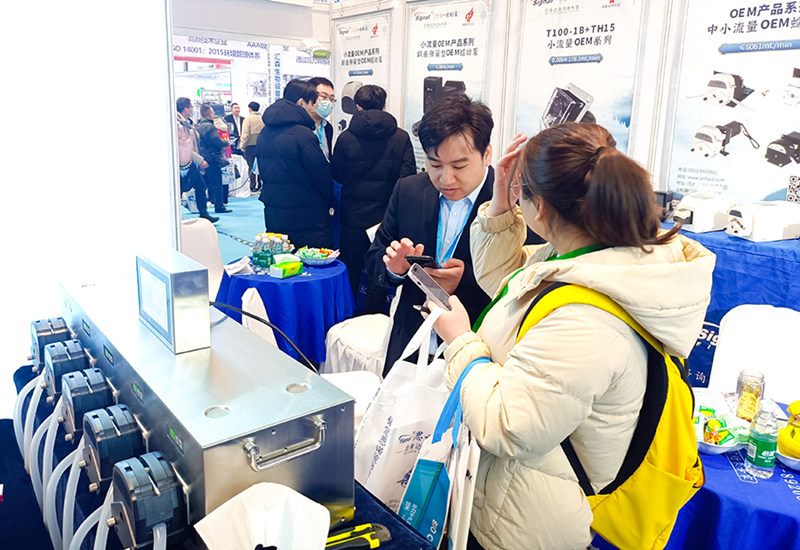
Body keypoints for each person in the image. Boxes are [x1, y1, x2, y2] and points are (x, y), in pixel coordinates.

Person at [427, 122, 715, 549]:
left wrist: (460, 340)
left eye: (521, 193)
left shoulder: (586, 318)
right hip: (516, 495)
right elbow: (506, 280)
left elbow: (509, 426)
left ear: (540, 208)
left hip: (528, 522)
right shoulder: (595, 256)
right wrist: (502, 199)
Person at [363, 94, 495, 376]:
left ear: (487, 154)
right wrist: (394, 269)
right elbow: (373, 260)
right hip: (409, 349)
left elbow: (520, 288)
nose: (446, 179)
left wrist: (466, 281)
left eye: (459, 166)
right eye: (435, 164)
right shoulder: (409, 190)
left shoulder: (509, 207)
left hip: (478, 356)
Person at [331, 85, 416, 302]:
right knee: (380, 266)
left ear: (357, 106)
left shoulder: (345, 138)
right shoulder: (401, 137)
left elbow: (337, 174)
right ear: (384, 105)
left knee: (351, 266)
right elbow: (407, 177)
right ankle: (374, 312)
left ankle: (348, 312)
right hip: (386, 216)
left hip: (353, 214)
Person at [256, 79, 333, 247]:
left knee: (281, 258)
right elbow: (321, 176)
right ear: (301, 102)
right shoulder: (303, 135)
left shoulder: (265, 131)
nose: (314, 108)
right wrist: (330, 201)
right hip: (306, 215)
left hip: (275, 210)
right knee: (311, 259)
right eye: (312, 103)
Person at [176, 98, 218, 223]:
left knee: (201, 186)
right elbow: (183, 147)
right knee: (179, 189)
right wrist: (199, 160)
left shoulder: (188, 123)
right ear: (185, 108)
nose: (193, 109)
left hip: (190, 161)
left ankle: (204, 213)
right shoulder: (178, 125)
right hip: (181, 162)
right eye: (191, 106)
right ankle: (176, 216)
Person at [196, 103, 232, 214]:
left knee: (203, 184)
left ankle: (201, 207)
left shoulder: (197, 126)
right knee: (217, 183)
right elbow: (215, 141)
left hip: (201, 158)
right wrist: (225, 143)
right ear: (210, 114)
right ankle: (219, 206)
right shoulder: (210, 127)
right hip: (212, 158)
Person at [307, 76, 335, 160]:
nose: (328, 102)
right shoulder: (300, 127)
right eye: (323, 97)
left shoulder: (328, 127)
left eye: (332, 99)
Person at [239, 101, 265, 192]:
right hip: (261, 145)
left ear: (250, 109)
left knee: (251, 166)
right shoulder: (262, 119)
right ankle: (261, 184)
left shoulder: (248, 119)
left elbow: (245, 135)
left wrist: (242, 146)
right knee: (261, 165)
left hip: (250, 146)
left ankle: (253, 185)